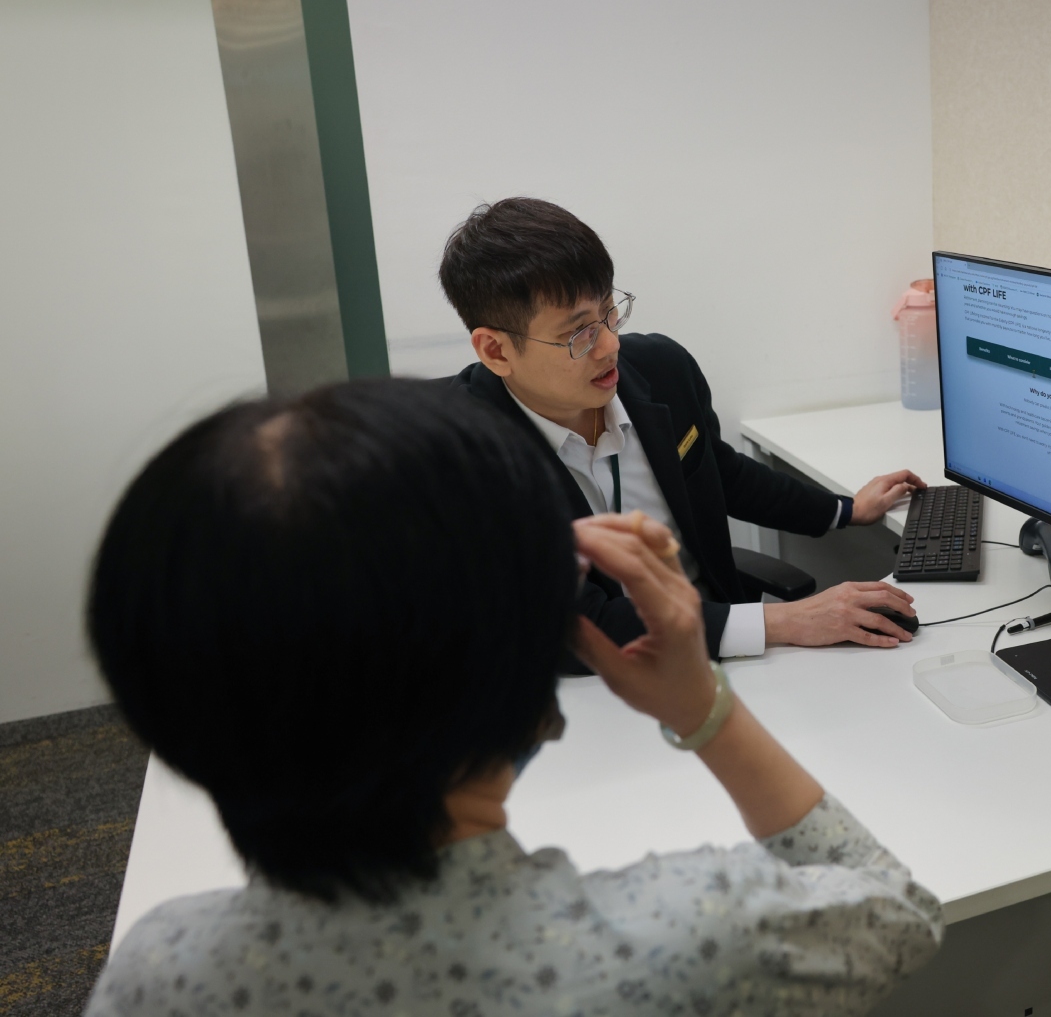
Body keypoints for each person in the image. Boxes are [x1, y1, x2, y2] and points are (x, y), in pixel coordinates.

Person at [84, 380, 943, 1017]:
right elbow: (895, 912)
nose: (602, 342)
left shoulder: (158, 971)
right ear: (528, 686)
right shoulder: (693, 934)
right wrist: (704, 707)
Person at [440, 197, 927, 660]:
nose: (610, 345)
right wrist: (782, 622)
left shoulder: (661, 370)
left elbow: (720, 474)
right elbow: (573, 623)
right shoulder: (459, 458)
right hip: (594, 681)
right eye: (579, 333)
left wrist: (845, 510)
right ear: (496, 351)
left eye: (609, 312)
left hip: (714, 649)